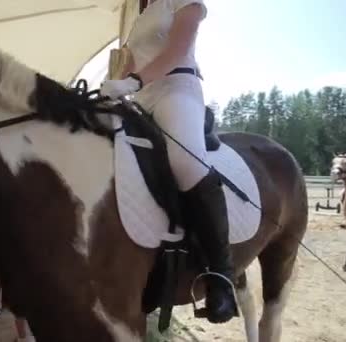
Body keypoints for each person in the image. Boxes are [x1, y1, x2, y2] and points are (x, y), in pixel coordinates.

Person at [100, 0, 237, 323]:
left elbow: (176, 51)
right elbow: (126, 64)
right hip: (139, 100)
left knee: (185, 162)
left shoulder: (182, 2)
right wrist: (111, 88)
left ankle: (222, 276)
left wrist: (131, 82)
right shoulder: (138, 17)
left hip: (176, 89)